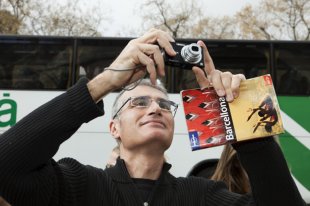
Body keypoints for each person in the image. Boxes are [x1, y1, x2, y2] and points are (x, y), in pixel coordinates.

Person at [0, 28, 306, 206]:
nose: (155, 108)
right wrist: (107, 80)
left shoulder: (202, 196)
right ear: (114, 127)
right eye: (139, 102)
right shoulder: (77, 185)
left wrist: (240, 110)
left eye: (163, 104)